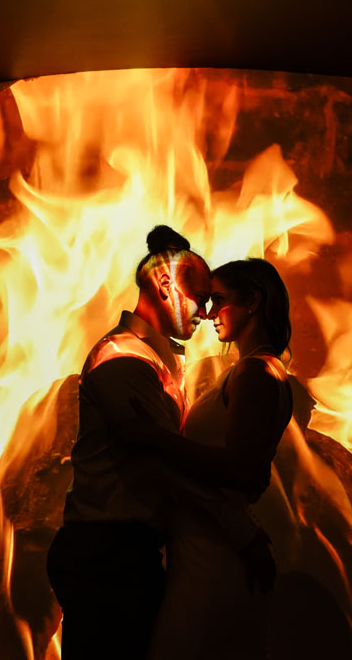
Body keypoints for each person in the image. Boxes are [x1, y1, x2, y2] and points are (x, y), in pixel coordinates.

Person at [45, 226, 271, 660]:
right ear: (165, 284)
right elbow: (161, 463)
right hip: (105, 560)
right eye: (201, 297)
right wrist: (241, 531)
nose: (207, 312)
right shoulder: (123, 359)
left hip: (128, 556)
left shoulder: (155, 361)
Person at [121, 257, 296, 660]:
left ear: (253, 301)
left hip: (215, 556)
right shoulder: (253, 371)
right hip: (203, 547)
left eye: (220, 300)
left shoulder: (257, 373)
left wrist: (155, 438)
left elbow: (240, 468)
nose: (209, 312)